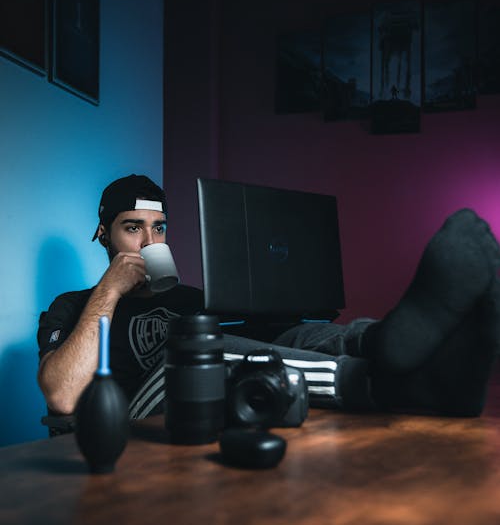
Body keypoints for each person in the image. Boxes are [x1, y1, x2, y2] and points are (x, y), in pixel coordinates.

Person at [37, 174, 500, 424]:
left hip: (206, 403)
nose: (149, 241)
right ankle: (396, 386)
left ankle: (383, 345)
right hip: (126, 420)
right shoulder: (73, 305)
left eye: (158, 228)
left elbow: (269, 342)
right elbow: (61, 397)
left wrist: (284, 323)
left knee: (280, 330)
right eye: (132, 227)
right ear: (103, 232)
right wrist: (110, 291)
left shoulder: (195, 298)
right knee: (203, 349)